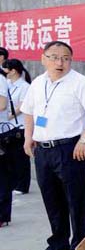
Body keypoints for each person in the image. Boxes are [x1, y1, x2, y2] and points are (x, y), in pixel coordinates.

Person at [22, 41, 85, 250]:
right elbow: (28, 112)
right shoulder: (38, 83)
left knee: (76, 201)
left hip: (69, 150)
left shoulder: (81, 83)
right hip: (43, 150)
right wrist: (28, 137)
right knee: (52, 199)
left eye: (66, 58)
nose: (60, 62)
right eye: (55, 57)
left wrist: (84, 140)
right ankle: (58, 244)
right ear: (43, 58)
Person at [0, 59, 30, 226]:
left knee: (18, 162)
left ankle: (3, 214)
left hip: (14, 128)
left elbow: (3, 105)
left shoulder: (22, 86)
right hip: (9, 127)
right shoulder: (9, 83)